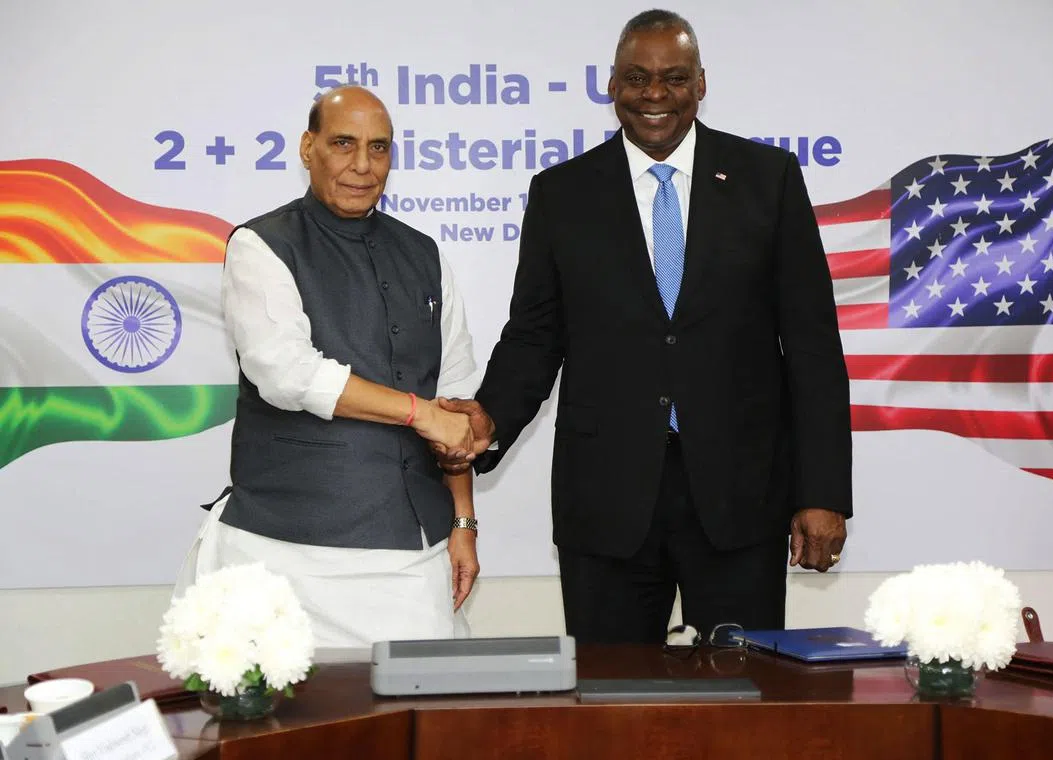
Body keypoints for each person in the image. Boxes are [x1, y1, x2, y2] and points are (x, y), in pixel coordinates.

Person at [440, 9, 852, 644]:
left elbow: (812, 347)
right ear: (611, 84)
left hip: (740, 501)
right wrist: (488, 419)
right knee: (608, 713)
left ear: (701, 83)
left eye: (674, 77)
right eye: (637, 77)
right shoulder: (562, 194)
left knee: (744, 713)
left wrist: (822, 492)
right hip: (606, 503)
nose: (655, 95)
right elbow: (535, 334)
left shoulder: (767, 181)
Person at [176, 85, 481, 647]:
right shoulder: (260, 245)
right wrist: (418, 414)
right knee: (278, 730)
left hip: (411, 556)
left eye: (379, 148)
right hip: (283, 554)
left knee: (422, 725)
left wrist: (462, 522)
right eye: (344, 144)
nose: (362, 166)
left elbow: (454, 404)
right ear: (307, 147)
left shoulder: (425, 254)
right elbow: (287, 374)